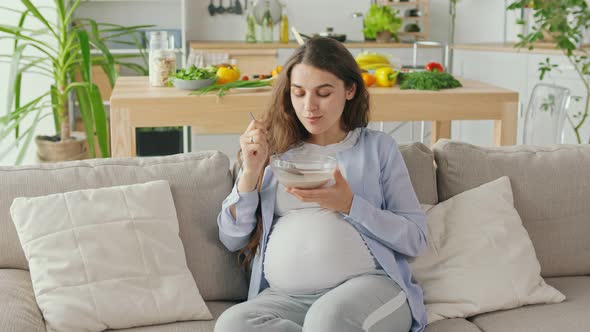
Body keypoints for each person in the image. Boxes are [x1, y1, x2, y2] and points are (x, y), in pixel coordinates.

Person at [215, 37, 428, 332]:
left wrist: (350, 205)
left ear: (350, 90)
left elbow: (415, 239)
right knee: (232, 325)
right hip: (285, 298)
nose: (309, 106)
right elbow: (231, 238)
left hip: (367, 288)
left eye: (324, 93)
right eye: (298, 93)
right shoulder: (273, 152)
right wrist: (250, 173)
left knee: (327, 321)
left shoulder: (378, 148)